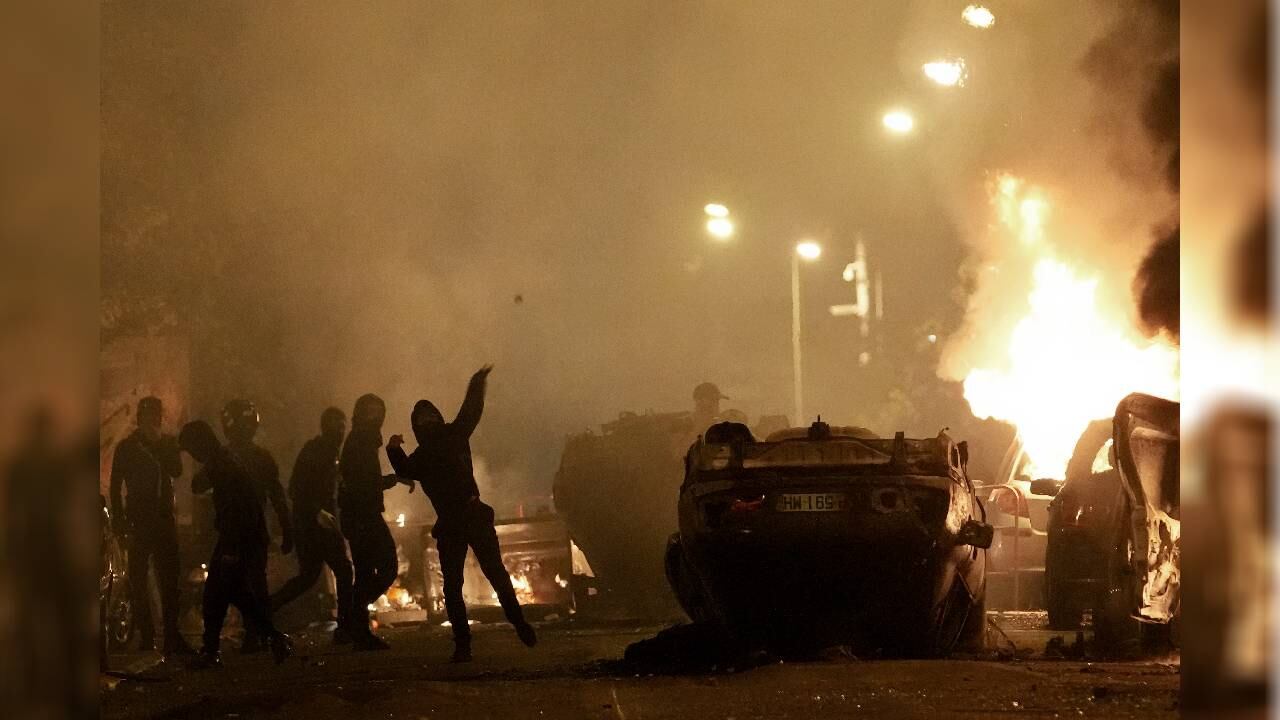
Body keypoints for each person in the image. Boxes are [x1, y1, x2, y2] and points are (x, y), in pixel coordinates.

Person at [386, 365, 537, 663]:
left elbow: (471, 410)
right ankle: (472, 640)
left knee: (480, 578)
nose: (427, 421)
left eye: (429, 416)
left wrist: (477, 383)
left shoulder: (448, 437)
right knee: (464, 583)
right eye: (422, 418)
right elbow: (405, 467)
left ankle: (506, 628)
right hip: (458, 521)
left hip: (465, 518)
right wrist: (477, 383)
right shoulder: (442, 442)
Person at [179, 420, 292, 667]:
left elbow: (232, 504)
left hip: (238, 536)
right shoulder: (223, 459)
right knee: (237, 594)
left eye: (193, 450)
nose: (194, 456)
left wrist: (231, 548)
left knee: (217, 594)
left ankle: (213, 651)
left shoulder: (221, 463)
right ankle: (273, 638)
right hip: (245, 535)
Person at [107, 396, 195, 656]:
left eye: (155, 415)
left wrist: (159, 446)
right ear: (139, 418)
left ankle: (171, 636)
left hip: (164, 519)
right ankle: (146, 635)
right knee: (137, 580)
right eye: (147, 415)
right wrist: (120, 522)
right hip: (138, 521)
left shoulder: (167, 443)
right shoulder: (127, 447)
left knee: (169, 579)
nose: (152, 419)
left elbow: (176, 471)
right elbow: (115, 486)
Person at [269, 407, 357, 643]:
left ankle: (265, 609)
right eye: (336, 426)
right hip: (313, 525)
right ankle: (345, 627)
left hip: (315, 523)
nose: (340, 431)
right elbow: (295, 488)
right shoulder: (315, 450)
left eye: (342, 426)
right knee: (342, 570)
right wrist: (318, 511)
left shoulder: (331, 452)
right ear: (325, 427)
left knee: (309, 576)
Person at [220, 399, 293, 653]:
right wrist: (286, 527)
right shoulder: (259, 457)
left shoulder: (226, 457)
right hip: (250, 527)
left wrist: (286, 527)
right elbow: (277, 495)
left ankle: (255, 634)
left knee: (244, 583)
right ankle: (259, 633)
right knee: (254, 582)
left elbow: (200, 485)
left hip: (236, 529)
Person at [338, 393, 410, 651]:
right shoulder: (360, 442)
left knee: (366, 574)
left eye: (378, 413)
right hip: (362, 516)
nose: (375, 418)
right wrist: (394, 479)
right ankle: (353, 622)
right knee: (384, 568)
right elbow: (364, 484)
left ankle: (354, 626)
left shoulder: (363, 440)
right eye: (370, 412)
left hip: (361, 515)